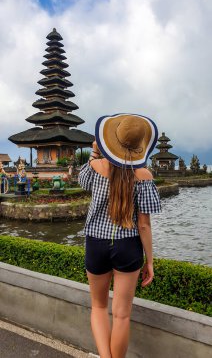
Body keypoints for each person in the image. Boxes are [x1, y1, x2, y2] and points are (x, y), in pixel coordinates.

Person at [78, 113, 162, 358]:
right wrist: (150, 261)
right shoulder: (144, 176)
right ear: (139, 146)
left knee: (99, 306)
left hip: (96, 243)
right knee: (122, 314)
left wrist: (94, 152)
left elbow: (82, 182)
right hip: (128, 246)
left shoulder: (95, 166)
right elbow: (144, 225)